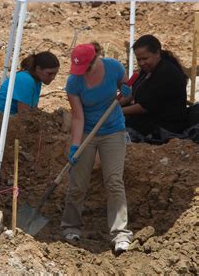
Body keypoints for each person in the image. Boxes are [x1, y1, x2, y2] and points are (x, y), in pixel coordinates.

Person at [62, 43, 133, 255]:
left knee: (113, 181)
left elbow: (126, 93)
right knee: (77, 183)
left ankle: (120, 233)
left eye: (87, 67)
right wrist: (75, 145)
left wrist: (127, 92)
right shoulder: (74, 82)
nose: (83, 72)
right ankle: (70, 227)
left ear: (97, 58)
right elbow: (77, 116)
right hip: (87, 132)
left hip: (113, 131)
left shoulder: (114, 68)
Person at [121, 35, 188, 136]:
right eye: (138, 59)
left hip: (165, 125)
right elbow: (134, 93)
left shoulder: (166, 73)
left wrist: (117, 112)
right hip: (148, 117)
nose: (142, 63)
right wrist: (113, 105)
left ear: (157, 53)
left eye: (145, 58)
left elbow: (145, 107)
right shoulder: (147, 70)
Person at [0, 51, 59, 115]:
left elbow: (33, 110)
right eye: (49, 74)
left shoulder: (37, 81)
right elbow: (24, 116)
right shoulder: (26, 80)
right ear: (38, 69)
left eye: (55, 74)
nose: (53, 77)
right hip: (0, 120)